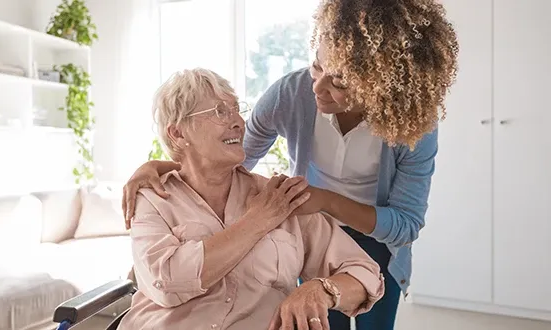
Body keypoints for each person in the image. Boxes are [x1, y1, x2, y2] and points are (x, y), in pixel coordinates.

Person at [122, 0, 459, 329]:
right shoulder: (291, 94)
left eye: (340, 81)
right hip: (307, 213)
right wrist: (164, 165)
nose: (318, 87)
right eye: (316, 66)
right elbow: (232, 157)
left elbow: (405, 223)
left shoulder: (413, 123)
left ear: (380, 84)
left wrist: (325, 203)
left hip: (368, 233)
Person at [118, 68, 384, 330]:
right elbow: (167, 281)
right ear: (178, 133)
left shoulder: (281, 197)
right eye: (220, 111)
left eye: (237, 109)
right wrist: (258, 220)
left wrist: (322, 289)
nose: (238, 122)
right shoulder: (152, 198)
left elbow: (366, 274)